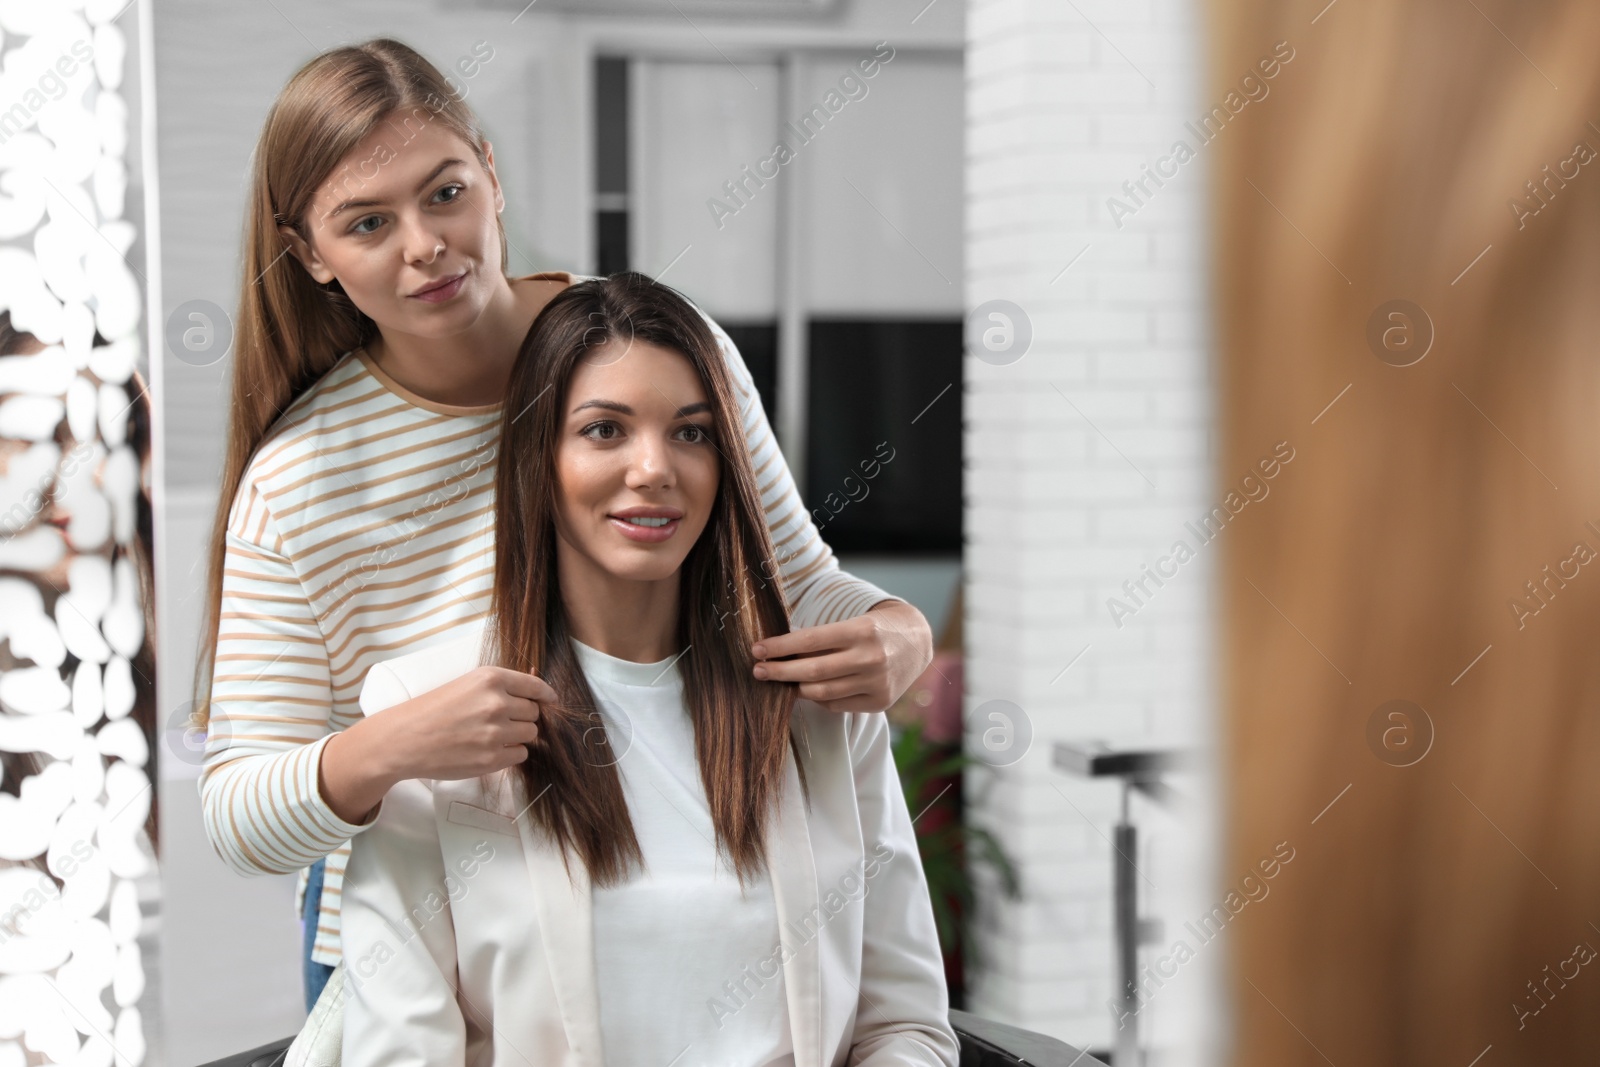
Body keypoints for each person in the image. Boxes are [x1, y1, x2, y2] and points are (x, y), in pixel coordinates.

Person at [194, 38, 936, 1014]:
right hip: (426, 944)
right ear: (309, 254)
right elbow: (238, 813)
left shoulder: (643, 348)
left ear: (491, 175)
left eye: (446, 192)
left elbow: (794, 579)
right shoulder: (300, 482)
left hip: (678, 879)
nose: (424, 244)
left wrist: (899, 631)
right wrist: (393, 742)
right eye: (368, 222)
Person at [340, 272, 959, 1065]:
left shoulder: (822, 705)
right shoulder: (425, 709)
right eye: (605, 430)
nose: (653, 468)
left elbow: (904, 1024)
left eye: (692, 433)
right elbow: (402, 1048)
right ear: (539, 454)